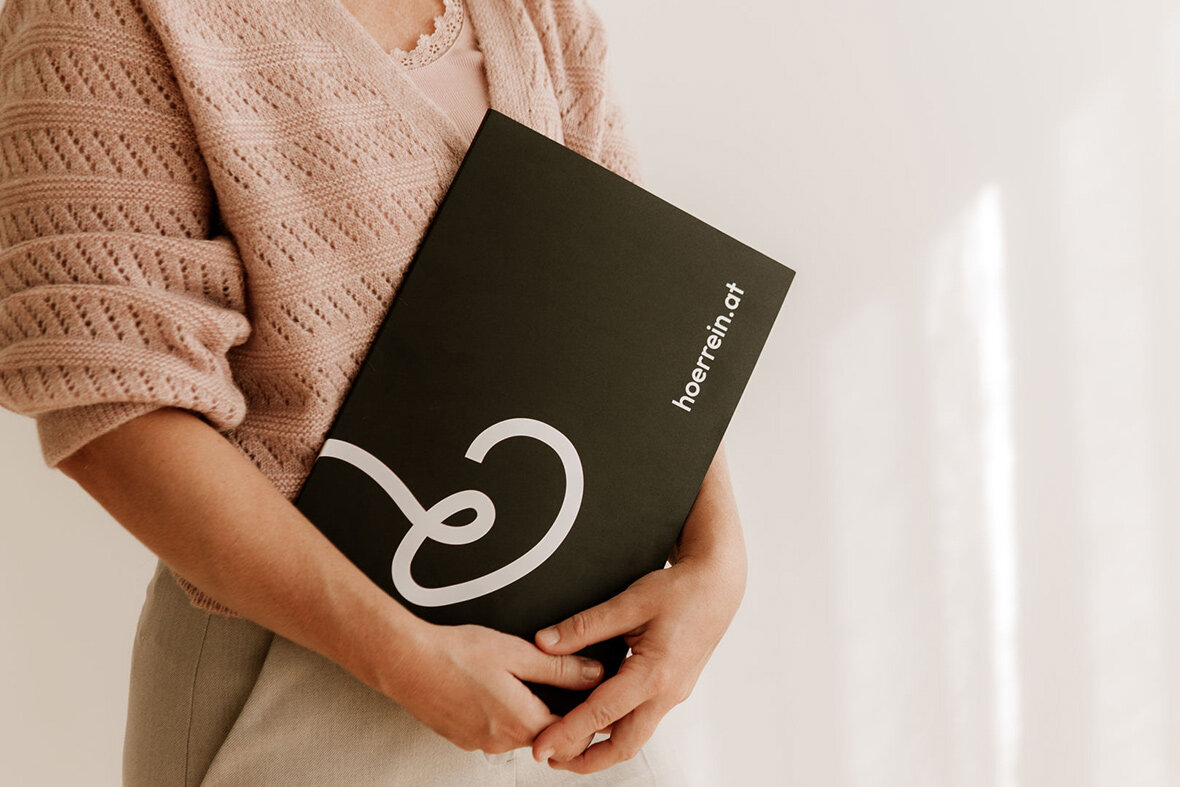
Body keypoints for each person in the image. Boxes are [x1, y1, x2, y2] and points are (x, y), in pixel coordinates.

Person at [0, 0, 747, 783]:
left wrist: (716, 553)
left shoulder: (532, 11)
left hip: (575, 681)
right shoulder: (107, 14)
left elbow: (639, 296)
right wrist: (400, 653)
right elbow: (114, 403)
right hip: (307, 679)